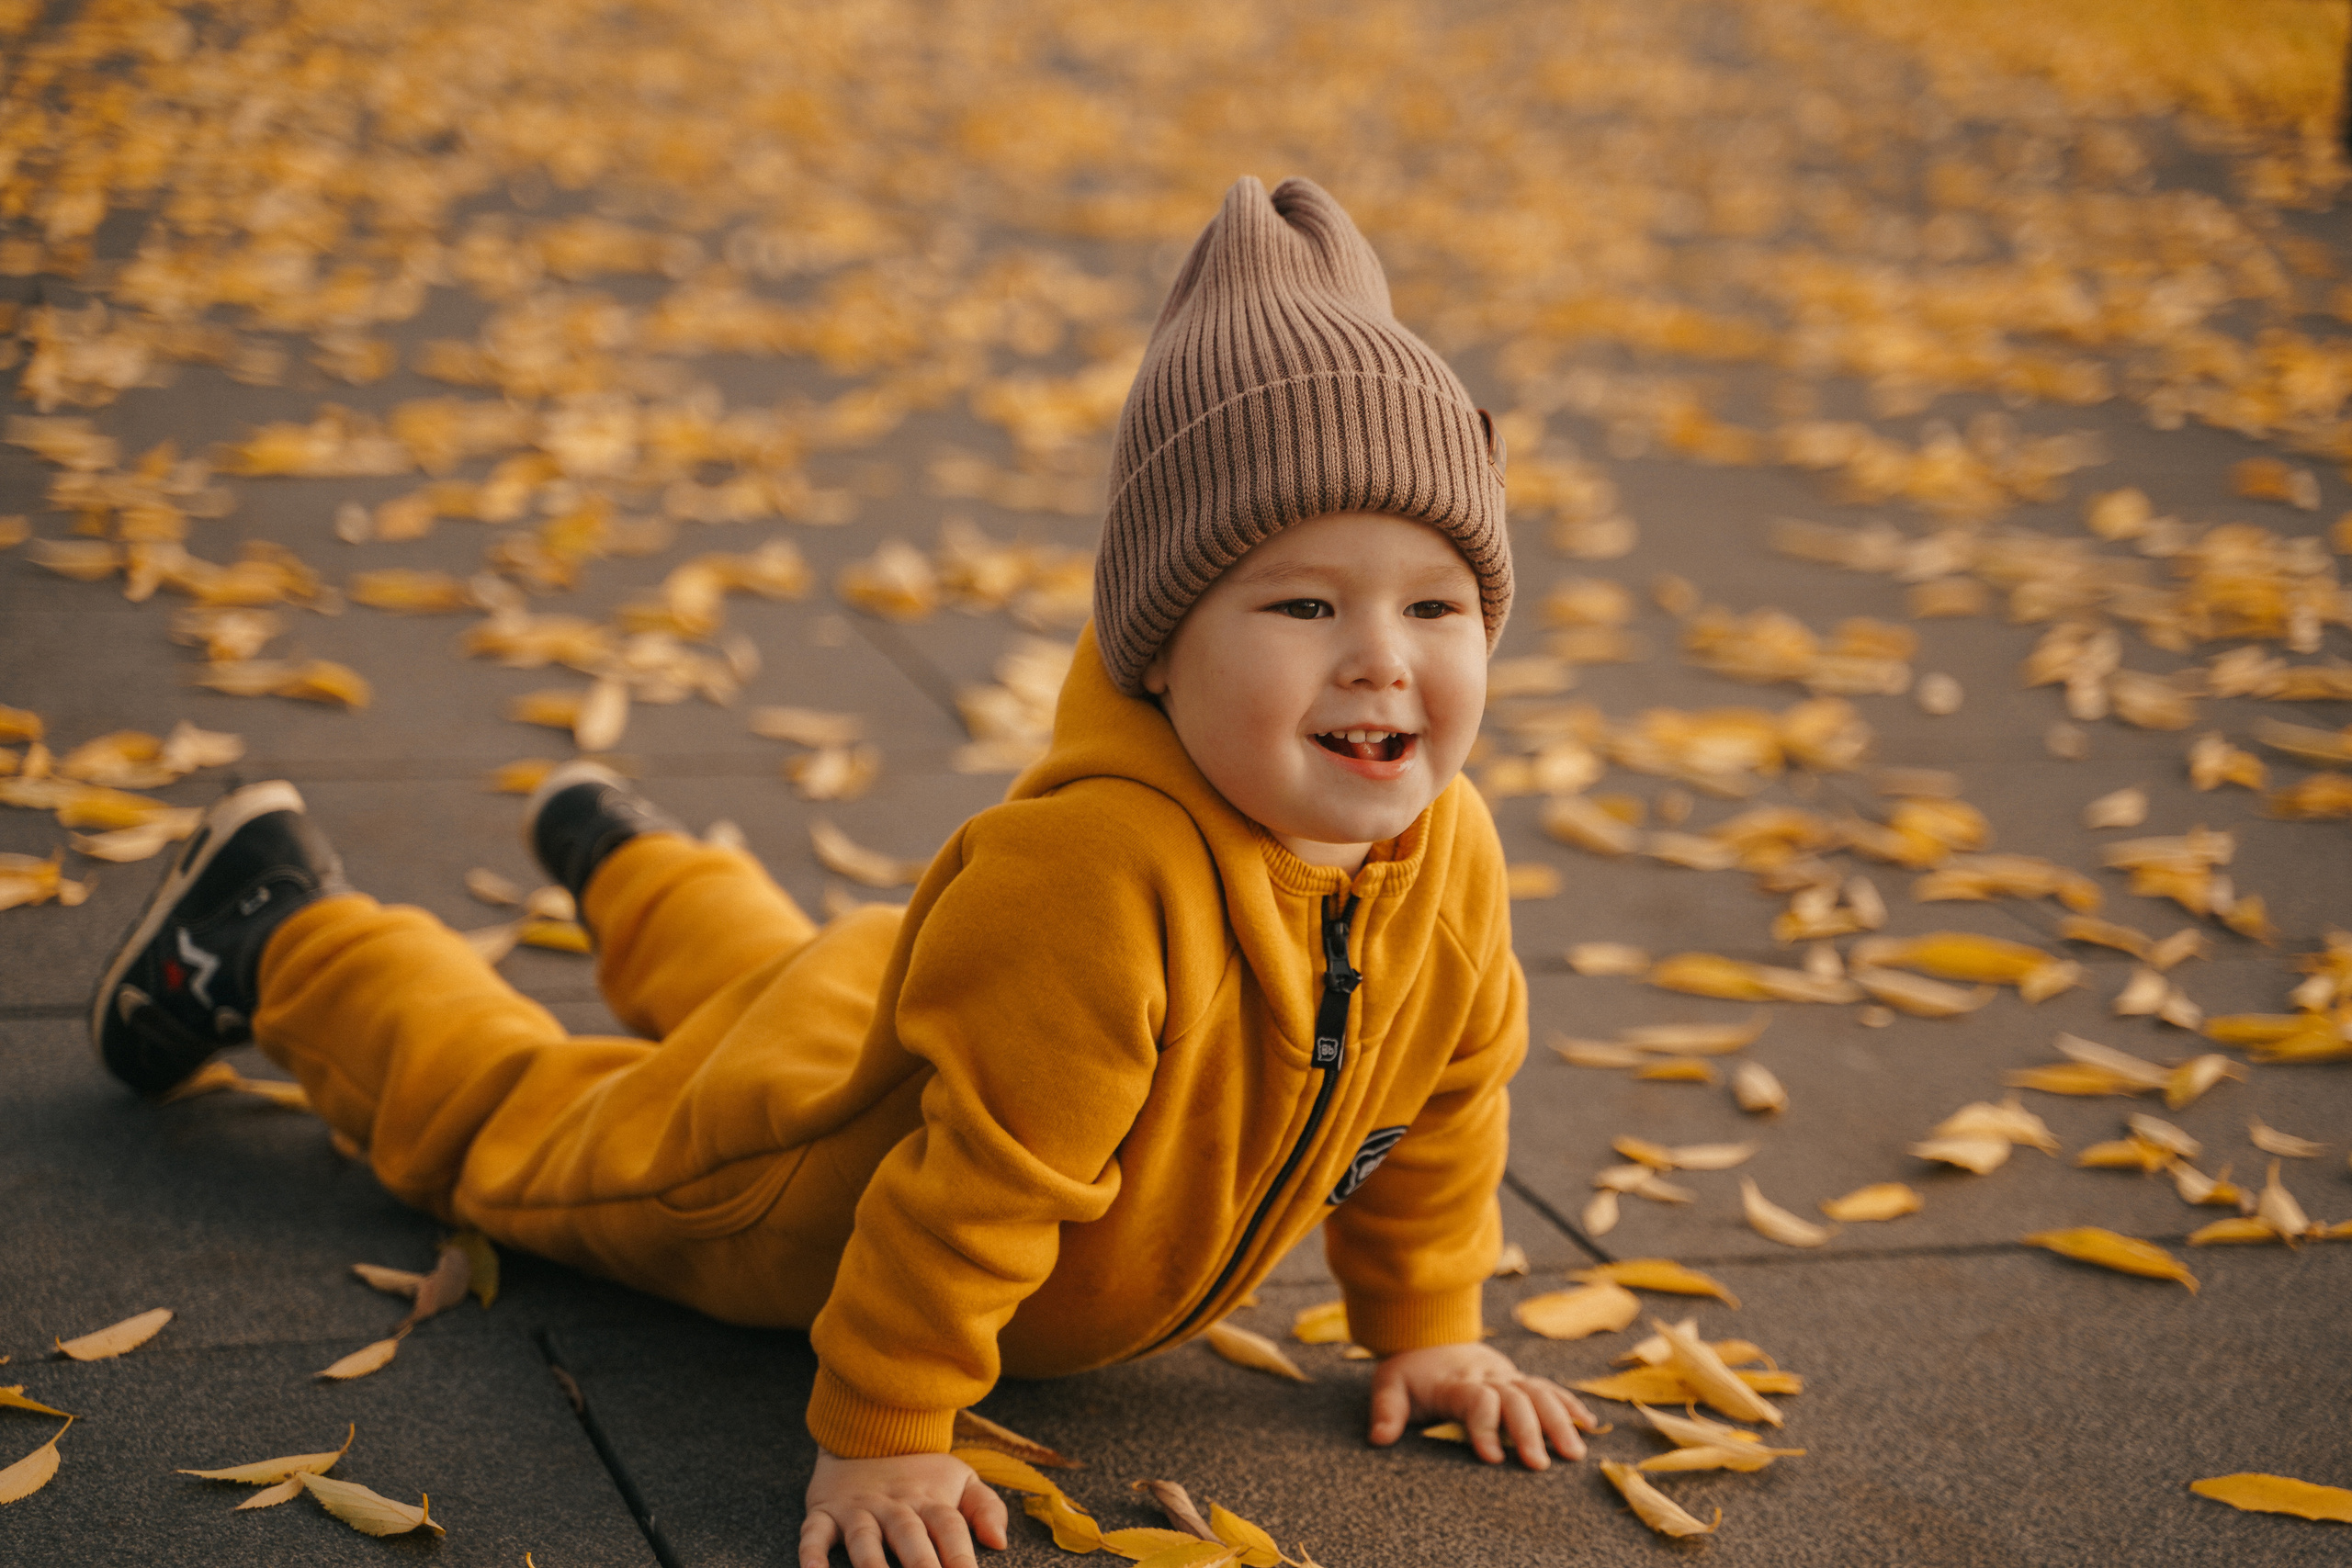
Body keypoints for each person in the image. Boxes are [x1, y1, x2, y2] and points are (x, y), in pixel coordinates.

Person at [91, 175, 1595, 1568]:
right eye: (1306, 602)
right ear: (1160, 649)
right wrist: (880, 1434)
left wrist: (1429, 1326)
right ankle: (285, 928)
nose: (1384, 662)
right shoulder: (1093, 878)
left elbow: (1443, 1101)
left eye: (1441, 603)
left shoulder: (1439, 850)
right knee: (525, 1135)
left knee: (781, 976)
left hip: (905, 998)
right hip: (810, 1178)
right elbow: (970, 1197)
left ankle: (629, 864)